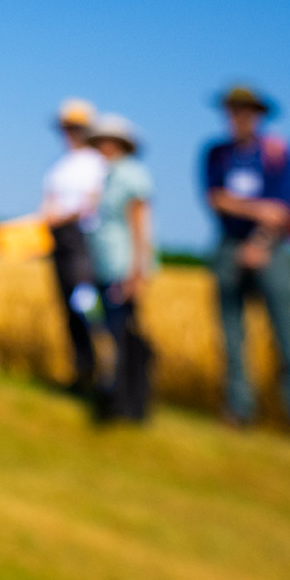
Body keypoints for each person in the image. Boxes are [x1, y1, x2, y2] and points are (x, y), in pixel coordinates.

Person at [201, 84, 290, 434]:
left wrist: (261, 242)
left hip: (273, 250)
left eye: (245, 110)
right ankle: (239, 409)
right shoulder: (217, 153)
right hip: (228, 246)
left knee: (286, 334)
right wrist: (256, 209)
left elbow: (284, 210)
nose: (238, 117)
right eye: (233, 110)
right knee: (232, 333)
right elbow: (216, 199)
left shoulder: (278, 153)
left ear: (258, 115)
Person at [86, 113, 156, 422]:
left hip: (122, 268)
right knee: (106, 331)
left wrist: (137, 272)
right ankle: (114, 396)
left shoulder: (132, 175)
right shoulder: (106, 176)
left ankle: (129, 403)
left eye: (107, 140)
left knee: (123, 336)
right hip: (103, 266)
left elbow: (141, 226)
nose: (102, 145)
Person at [41, 98, 108, 394]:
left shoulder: (97, 163)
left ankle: (103, 372)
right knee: (68, 306)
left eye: (76, 128)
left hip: (82, 240)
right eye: (67, 128)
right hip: (59, 241)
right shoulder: (60, 165)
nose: (70, 133)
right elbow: (49, 202)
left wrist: (59, 217)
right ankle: (81, 371)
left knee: (87, 305)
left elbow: (92, 202)